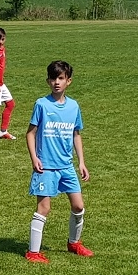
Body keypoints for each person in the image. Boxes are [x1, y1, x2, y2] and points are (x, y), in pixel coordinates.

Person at [24, 60, 94, 264]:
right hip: (46, 167)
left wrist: (81, 162)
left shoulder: (74, 106)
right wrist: (34, 158)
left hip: (66, 166)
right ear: (48, 81)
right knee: (44, 208)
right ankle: (33, 252)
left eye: (61, 78)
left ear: (68, 81)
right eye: (53, 78)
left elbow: (76, 134)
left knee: (78, 206)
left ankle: (74, 243)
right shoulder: (42, 104)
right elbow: (30, 133)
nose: (57, 82)